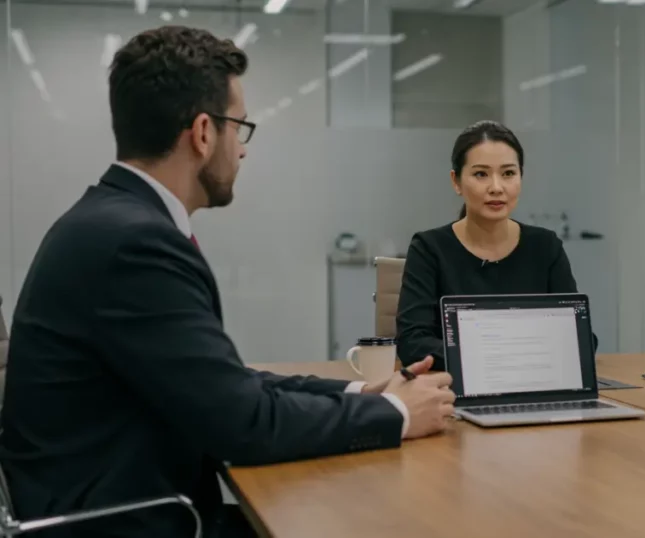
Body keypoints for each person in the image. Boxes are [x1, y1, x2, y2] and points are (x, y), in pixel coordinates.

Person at [0, 26, 455, 538]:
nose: (242, 149)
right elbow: (243, 423)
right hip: (130, 520)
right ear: (202, 133)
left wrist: (363, 393)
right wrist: (395, 415)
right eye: (240, 127)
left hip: (125, 499)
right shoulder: (133, 244)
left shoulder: (113, 222)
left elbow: (227, 384)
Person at [396, 120, 592, 369]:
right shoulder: (429, 248)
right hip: (455, 391)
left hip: (532, 385)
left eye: (508, 173)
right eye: (481, 174)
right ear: (456, 181)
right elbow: (413, 344)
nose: (497, 188)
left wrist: (490, 353)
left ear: (521, 177)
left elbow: (579, 338)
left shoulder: (545, 247)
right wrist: (505, 355)